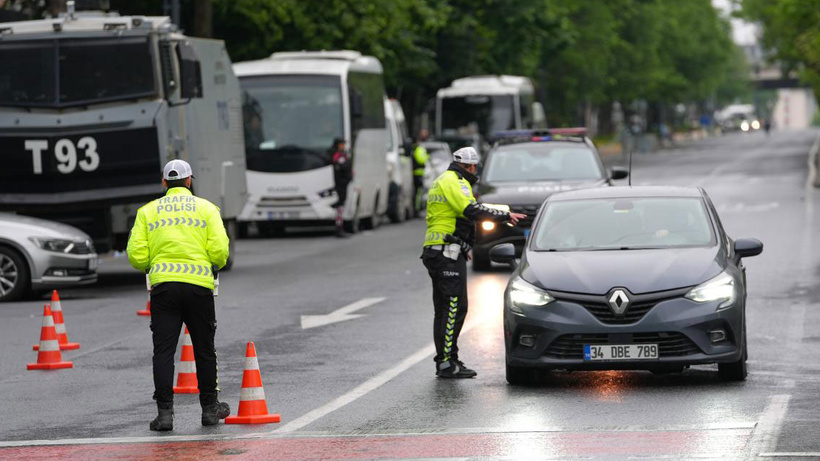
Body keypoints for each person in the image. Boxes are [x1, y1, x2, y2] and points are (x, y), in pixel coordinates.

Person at [126, 159, 231, 431]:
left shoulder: (147, 212)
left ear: (164, 183)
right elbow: (220, 250)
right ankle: (210, 409)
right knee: (204, 349)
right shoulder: (207, 209)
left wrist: (152, 264)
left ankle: (164, 415)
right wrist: (211, 265)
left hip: (163, 289)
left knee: (163, 352)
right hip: (198, 288)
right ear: (188, 181)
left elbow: (137, 256)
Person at [421, 147, 526, 378]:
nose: (475, 170)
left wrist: (463, 245)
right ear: (469, 166)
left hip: (442, 250)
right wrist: (505, 216)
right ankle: (447, 362)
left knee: (445, 310)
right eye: (474, 167)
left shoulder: (445, 180)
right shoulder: (455, 181)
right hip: (445, 253)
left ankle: (447, 360)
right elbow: (472, 210)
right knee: (454, 309)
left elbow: (452, 218)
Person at [330, 138, 352, 237]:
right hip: (340, 184)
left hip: (344, 184)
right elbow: (343, 166)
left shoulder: (342, 154)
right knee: (339, 206)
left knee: (341, 206)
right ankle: (339, 227)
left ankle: (340, 226)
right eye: (341, 144)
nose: (343, 146)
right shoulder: (337, 155)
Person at [412, 130, 430, 213]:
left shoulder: (413, 148)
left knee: (416, 192)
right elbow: (421, 160)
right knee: (418, 193)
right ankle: (417, 209)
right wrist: (427, 156)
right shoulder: (419, 149)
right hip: (418, 174)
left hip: (414, 173)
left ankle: (416, 208)